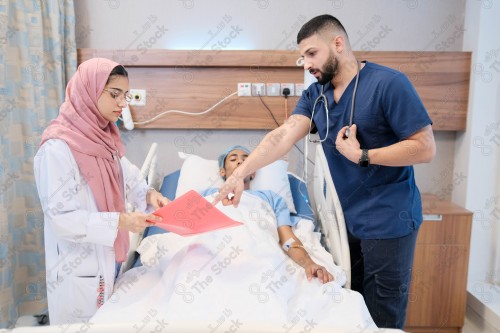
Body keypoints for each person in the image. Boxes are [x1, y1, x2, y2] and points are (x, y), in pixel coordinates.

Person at [214, 15, 436, 329]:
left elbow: (425, 147)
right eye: (302, 56)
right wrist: (239, 174)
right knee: (353, 308)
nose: (305, 63)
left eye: (312, 54)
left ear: (338, 44)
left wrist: (363, 155)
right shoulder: (317, 95)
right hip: (349, 220)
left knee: (382, 316)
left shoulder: (389, 84)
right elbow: (283, 135)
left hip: (390, 219)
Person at [33, 58, 169, 324]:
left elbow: (129, 178)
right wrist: (120, 221)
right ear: (88, 91)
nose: (123, 103)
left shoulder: (104, 140)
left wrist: (150, 195)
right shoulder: (57, 149)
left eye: (126, 95)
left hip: (106, 262)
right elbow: (62, 218)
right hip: (76, 271)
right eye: (114, 94)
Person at [202, 145, 334, 284]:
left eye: (246, 160)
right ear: (222, 172)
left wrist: (309, 263)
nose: (240, 162)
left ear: (252, 172)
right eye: (233, 159)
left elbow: (287, 240)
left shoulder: (271, 198)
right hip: (213, 254)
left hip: (258, 252)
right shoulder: (207, 195)